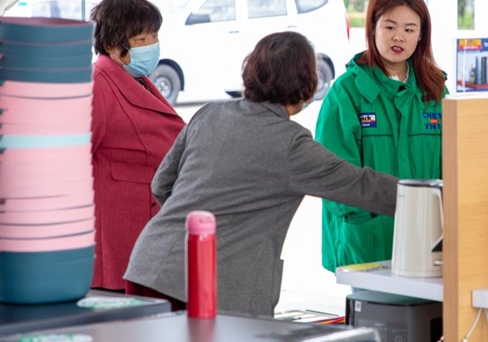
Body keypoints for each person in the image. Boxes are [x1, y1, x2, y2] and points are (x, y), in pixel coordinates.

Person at [124, 32, 399, 317]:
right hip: (205, 287)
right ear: (306, 83)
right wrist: (424, 196)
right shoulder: (291, 144)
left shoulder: (209, 114)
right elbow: (360, 186)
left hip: (148, 265)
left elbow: (161, 184)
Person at [317, 0, 447, 273]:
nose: (399, 36)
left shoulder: (434, 90)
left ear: (421, 35)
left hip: (427, 239)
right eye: (390, 26)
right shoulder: (346, 93)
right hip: (366, 242)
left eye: (409, 29)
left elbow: (452, 164)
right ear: (372, 28)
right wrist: (365, 222)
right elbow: (331, 175)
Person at [89, 0, 185, 291]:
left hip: (148, 221)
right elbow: (74, 160)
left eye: (154, 36)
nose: (151, 45)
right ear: (111, 45)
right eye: (142, 39)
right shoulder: (98, 83)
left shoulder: (135, 77)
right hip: (116, 229)